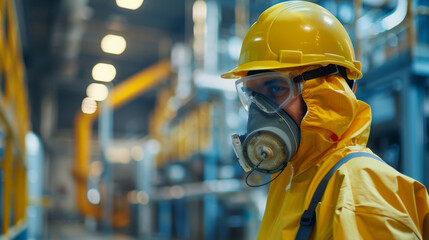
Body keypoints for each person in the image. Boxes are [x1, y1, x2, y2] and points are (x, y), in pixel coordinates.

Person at [222, 1, 429, 239]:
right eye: (253, 95)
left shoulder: (360, 199)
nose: (260, 111)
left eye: (276, 88)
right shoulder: (293, 179)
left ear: (326, 92)